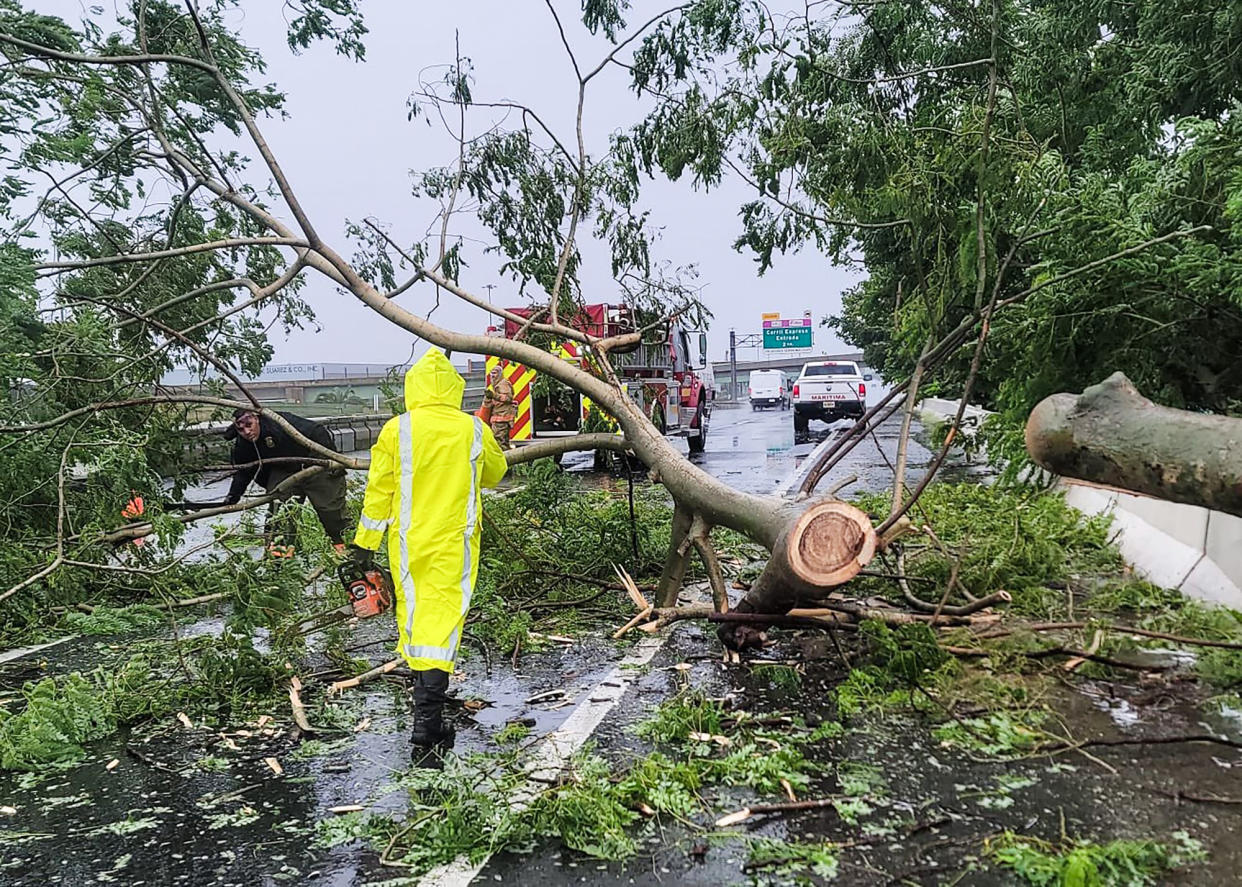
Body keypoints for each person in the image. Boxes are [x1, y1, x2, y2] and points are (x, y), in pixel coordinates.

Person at [350, 349, 507, 752]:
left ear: (413, 388)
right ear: (454, 389)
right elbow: (494, 474)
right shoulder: (472, 430)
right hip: (455, 542)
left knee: (418, 622)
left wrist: (363, 548)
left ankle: (427, 716)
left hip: (408, 544)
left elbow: (379, 492)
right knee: (442, 626)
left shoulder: (396, 430)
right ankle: (428, 725)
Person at [224, 408, 349, 556]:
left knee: (330, 509)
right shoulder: (243, 444)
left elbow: (317, 431)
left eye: (249, 425)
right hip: (283, 471)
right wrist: (233, 497)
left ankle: (343, 547)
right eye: (241, 429)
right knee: (280, 513)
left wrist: (329, 460)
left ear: (256, 419)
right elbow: (244, 472)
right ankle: (279, 554)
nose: (246, 432)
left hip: (314, 463)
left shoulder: (279, 422)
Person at [483, 365, 517, 448]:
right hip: (499, 417)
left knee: (500, 442)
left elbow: (508, 398)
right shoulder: (498, 385)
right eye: (491, 374)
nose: (492, 376)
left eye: (494, 373)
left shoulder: (503, 384)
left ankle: (505, 458)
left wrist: (494, 395)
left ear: (499, 374)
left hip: (502, 417)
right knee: (501, 441)